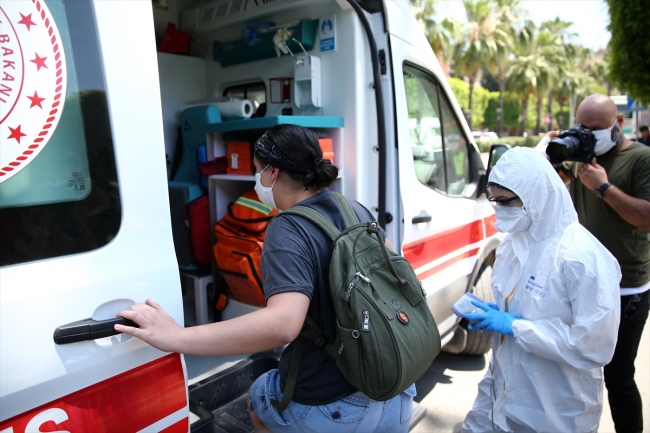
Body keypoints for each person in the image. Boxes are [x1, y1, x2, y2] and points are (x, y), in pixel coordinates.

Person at [115, 124, 415, 433]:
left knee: (260, 394)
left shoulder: (287, 227)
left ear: (273, 173)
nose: (257, 180)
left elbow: (282, 325)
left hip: (339, 409)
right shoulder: (354, 207)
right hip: (396, 387)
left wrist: (177, 338)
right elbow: (398, 272)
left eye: (257, 170)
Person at [461, 146, 621, 433]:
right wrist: (504, 314)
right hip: (504, 395)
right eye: (494, 201)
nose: (498, 210)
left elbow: (594, 346)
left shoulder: (582, 258)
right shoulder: (512, 245)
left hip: (558, 409)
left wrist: (517, 327)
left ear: (537, 196)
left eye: (506, 202)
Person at [555, 94, 650, 433]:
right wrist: (554, 153)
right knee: (578, 368)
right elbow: (551, 185)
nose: (589, 135)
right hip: (582, 284)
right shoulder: (582, 156)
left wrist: (603, 187)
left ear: (618, 123)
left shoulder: (640, 158)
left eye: (596, 129)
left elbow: (647, 219)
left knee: (619, 377)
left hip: (627, 289)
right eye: (583, 128)